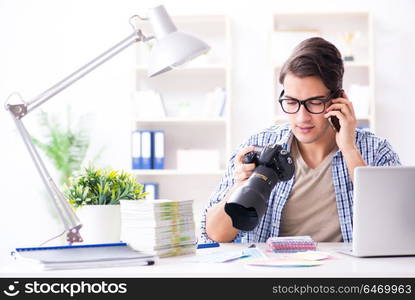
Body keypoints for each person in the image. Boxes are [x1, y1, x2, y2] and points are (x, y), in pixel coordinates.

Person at [199, 37, 401, 244]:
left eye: (314, 102)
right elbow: (214, 236)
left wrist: (349, 149)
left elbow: (398, 226)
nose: (302, 117)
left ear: (339, 100)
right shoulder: (259, 144)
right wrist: (240, 186)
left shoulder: (376, 151)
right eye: (292, 102)